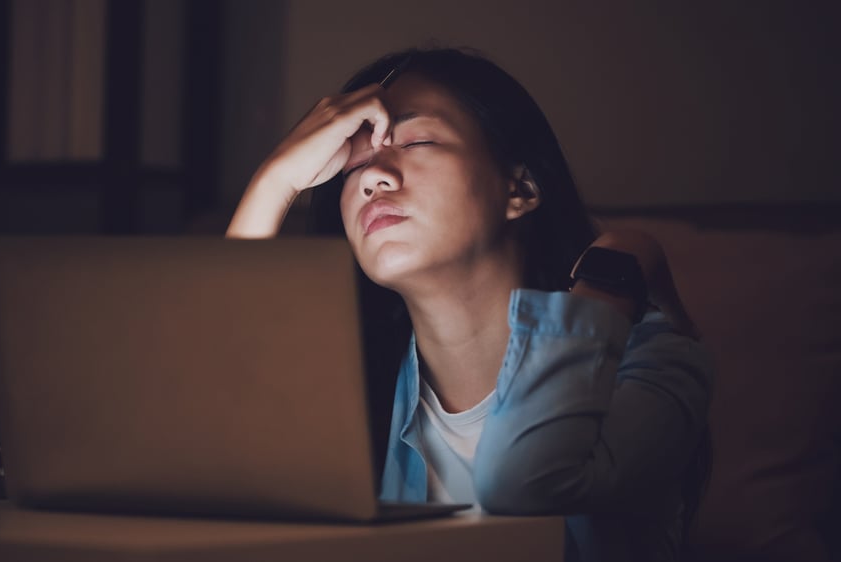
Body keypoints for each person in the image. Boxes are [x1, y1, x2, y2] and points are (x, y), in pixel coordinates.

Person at [226, 48, 713, 562]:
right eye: (357, 164)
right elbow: (209, 415)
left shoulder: (656, 363)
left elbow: (524, 480)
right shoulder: (361, 385)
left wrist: (613, 271)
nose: (374, 178)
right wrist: (276, 181)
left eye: (417, 140)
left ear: (520, 187)